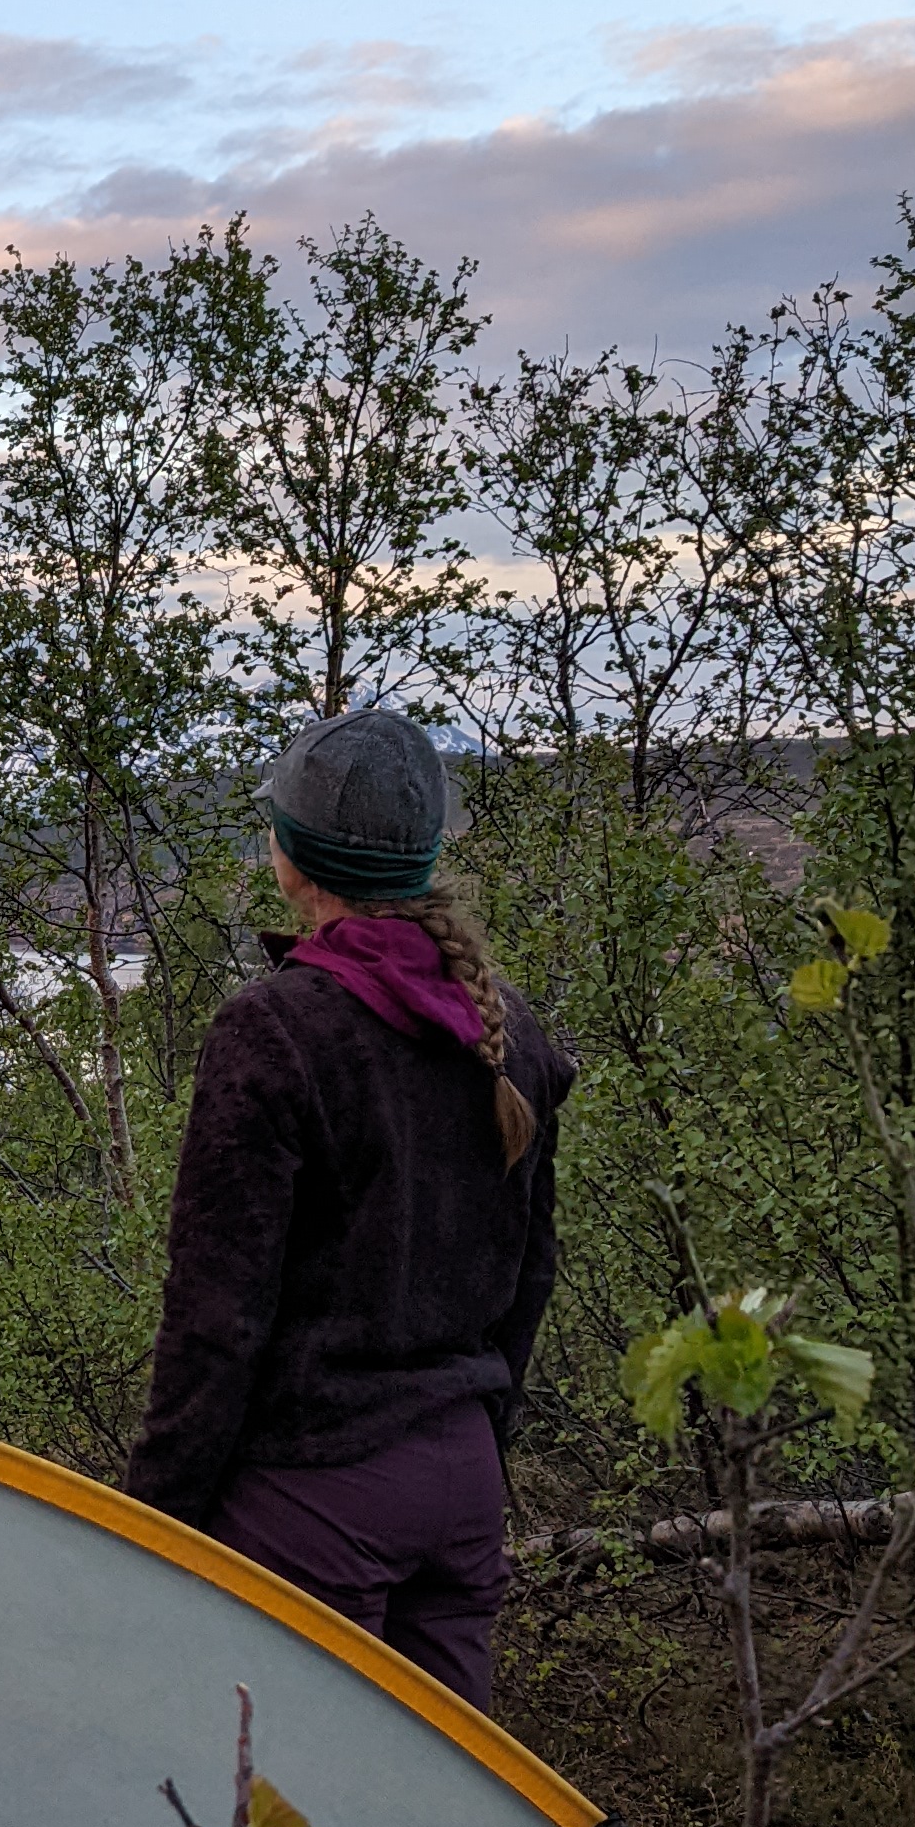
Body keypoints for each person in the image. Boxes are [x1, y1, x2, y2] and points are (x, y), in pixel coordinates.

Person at [124, 705, 572, 1712]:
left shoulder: (274, 1030)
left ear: (293, 856)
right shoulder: (510, 1030)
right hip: (461, 1485)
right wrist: (477, 1445)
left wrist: (149, 1522)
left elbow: (215, 1318)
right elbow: (529, 1276)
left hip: (314, 1499)